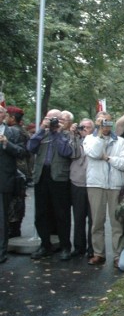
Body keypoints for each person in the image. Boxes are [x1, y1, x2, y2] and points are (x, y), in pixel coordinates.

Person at [83, 111, 124, 266]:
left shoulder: (120, 141)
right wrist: (99, 135)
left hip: (115, 184)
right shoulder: (90, 139)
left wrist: (108, 158)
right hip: (96, 184)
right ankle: (98, 253)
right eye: (102, 122)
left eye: (108, 121)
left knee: (117, 221)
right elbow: (95, 153)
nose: (106, 125)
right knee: (97, 221)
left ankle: (118, 254)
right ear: (97, 123)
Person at [27, 109, 73, 261]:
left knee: (62, 214)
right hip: (41, 176)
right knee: (41, 214)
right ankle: (45, 245)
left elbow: (66, 152)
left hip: (59, 178)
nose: (52, 121)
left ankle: (65, 246)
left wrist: (58, 132)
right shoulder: (42, 134)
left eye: (56, 119)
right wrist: (41, 129)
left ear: (62, 121)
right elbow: (30, 148)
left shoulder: (66, 135)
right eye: (49, 118)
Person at [0, 106, 27, 263]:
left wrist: (6, 144)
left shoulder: (13, 133)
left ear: (4, 116)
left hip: (4, 180)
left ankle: (2, 251)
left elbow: (22, 152)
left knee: (2, 217)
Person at [69, 118, 95, 258]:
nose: (84, 129)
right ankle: (78, 247)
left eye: (88, 127)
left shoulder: (96, 139)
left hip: (92, 183)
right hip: (77, 181)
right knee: (78, 217)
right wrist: (74, 135)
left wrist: (89, 137)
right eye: (82, 126)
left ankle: (92, 248)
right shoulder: (75, 139)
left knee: (93, 219)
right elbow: (72, 153)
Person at [5, 106, 29, 239]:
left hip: (17, 169)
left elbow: (20, 151)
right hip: (22, 169)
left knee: (15, 200)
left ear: (13, 118)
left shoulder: (13, 131)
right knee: (18, 198)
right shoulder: (21, 130)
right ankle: (15, 227)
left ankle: (13, 227)